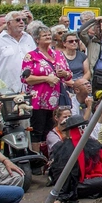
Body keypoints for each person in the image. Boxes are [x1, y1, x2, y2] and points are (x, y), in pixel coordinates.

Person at [21, 25, 73, 153]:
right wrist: (46, 78)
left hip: (56, 100)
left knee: (52, 129)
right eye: (44, 35)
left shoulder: (59, 54)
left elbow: (69, 74)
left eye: (49, 34)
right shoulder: (31, 56)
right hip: (38, 100)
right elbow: (25, 78)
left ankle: (50, 156)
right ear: (37, 39)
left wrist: (64, 74)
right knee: (37, 130)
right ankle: (37, 159)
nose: (48, 37)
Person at [0, 11, 36, 95]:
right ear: (8, 24)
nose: (21, 22)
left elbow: (35, 60)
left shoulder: (29, 38)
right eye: (17, 20)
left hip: (28, 88)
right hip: (5, 88)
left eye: (23, 20)